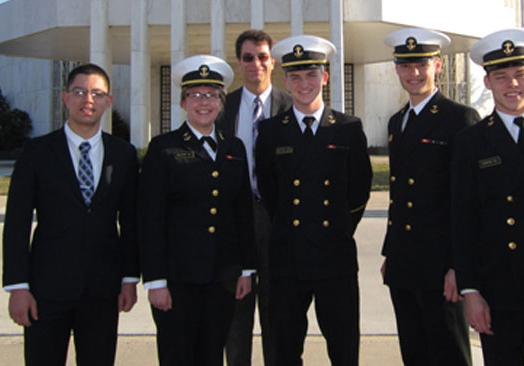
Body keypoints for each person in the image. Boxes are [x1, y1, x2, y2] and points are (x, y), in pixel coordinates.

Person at [2, 63, 139, 366]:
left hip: (103, 291)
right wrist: (17, 287)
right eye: (79, 92)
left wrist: (129, 278)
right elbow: (16, 223)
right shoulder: (36, 153)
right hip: (46, 291)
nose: (87, 99)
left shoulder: (123, 154)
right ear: (65, 97)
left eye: (96, 93)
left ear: (108, 101)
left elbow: (130, 222)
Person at [255, 35, 373, 366]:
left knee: (344, 346)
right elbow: (270, 191)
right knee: (284, 347)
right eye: (295, 76)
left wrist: (336, 227)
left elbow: (359, 190)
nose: (303, 84)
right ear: (285, 80)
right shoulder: (270, 131)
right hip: (287, 256)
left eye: (310, 75)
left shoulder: (348, 128)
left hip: (334, 254)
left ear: (325, 77)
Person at [452, 28, 524, 365]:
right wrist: (471, 292)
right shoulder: (471, 141)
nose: (512, 85)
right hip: (499, 286)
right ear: (487, 83)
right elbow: (463, 219)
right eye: (501, 77)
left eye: (519, 75)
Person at [138, 55, 256, 366]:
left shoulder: (234, 148)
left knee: (212, 355)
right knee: (177, 355)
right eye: (195, 95)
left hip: (223, 278)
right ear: (183, 101)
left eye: (211, 95)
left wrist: (246, 269)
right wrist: (155, 281)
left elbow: (242, 212)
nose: (203, 102)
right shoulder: (163, 148)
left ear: (221, 102)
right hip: (178, 281)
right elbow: (150, 219)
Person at [380, 28, 481, 366]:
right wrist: (390, 252)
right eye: (406, 66)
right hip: (404, 261)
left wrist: (458, 266)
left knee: (449, 351)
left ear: (437, 65)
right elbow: (401, 193)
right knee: (415, 351)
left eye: (421, 65)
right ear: (396, 69)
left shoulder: (459, 118)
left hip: (441, 266)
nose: (414, 74)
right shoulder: (397, 122)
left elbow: (466, 200)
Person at [220, 29, 292, 366]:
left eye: (262, 57)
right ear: (239, 62)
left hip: (278, 220)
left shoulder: (291, 105)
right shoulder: (222, 108)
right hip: (235, 221)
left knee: (277, 313)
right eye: (248, 57)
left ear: (272, 62)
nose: (256, 64)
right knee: (236, 314)